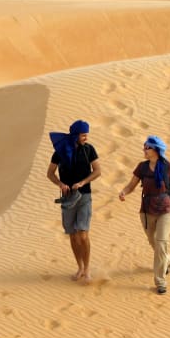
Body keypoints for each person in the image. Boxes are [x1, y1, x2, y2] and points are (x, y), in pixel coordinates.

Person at [118, 135, 170, 294]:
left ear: (156, 150)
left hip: (165, 210)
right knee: (154, 243)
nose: (144, 150)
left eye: (147, 147)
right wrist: (124, 192)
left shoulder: (168, 167)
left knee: (161, 243)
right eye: (144, 147)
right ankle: (167, 259)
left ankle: (160, 282)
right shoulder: (142, 167)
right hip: (146, 211)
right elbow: (132, 185)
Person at [47, 120, 102, 281]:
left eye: (86, 134)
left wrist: (83, 182)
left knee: (83, 234)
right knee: (72, 235)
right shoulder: (60, 151)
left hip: (84, 196)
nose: (86, 137)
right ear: (75, 135)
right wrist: (60, 184)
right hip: (67, 198)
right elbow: (50, 173)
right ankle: (79, 267)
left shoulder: (89, 150)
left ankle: (87, 269)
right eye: (83, 134)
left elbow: (98, 171)